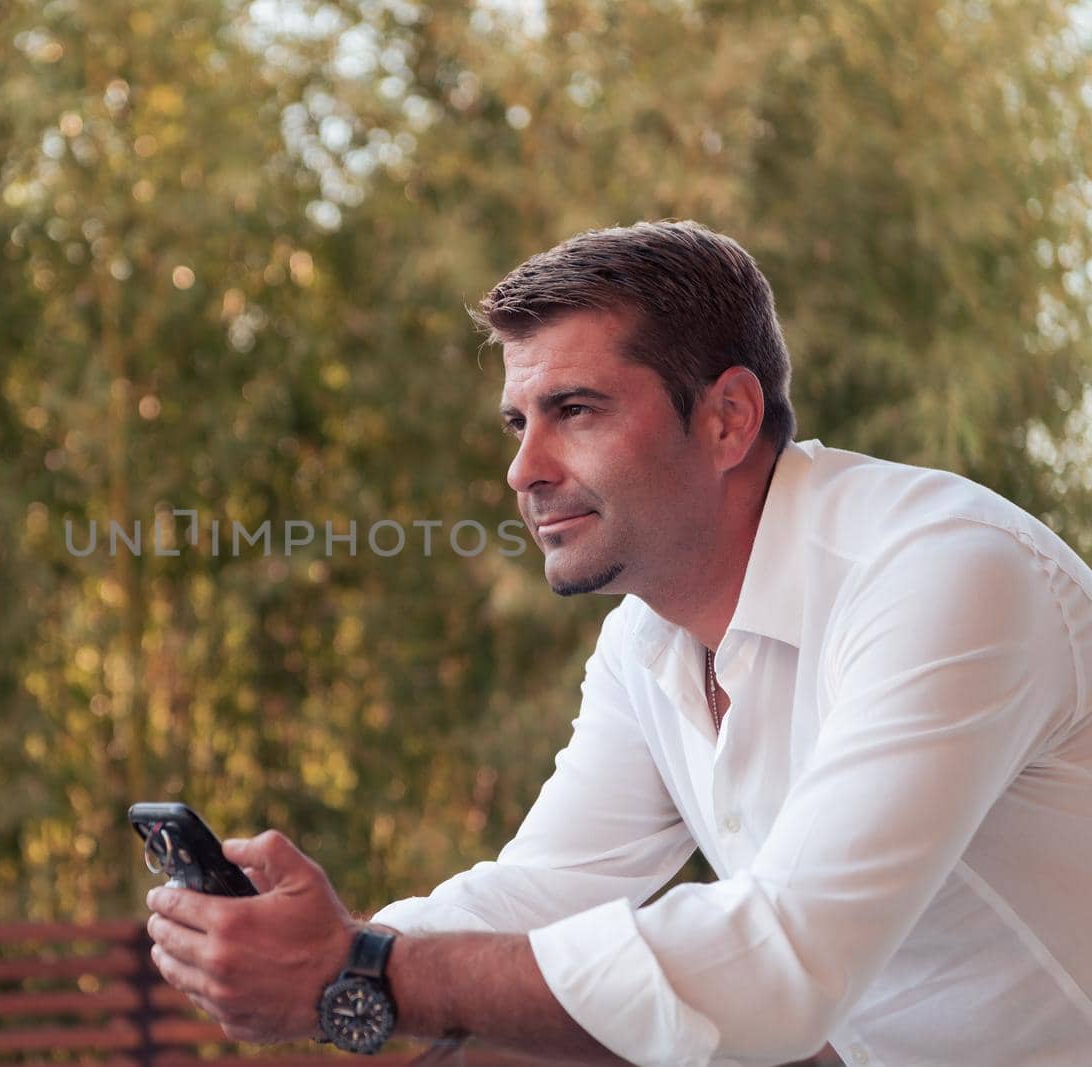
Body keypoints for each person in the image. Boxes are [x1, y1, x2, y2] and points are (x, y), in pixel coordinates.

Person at [144, 221, 1092, 1066]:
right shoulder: (648, 640)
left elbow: (779, 963)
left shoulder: (941, 575)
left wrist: (360, 972)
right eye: (520, 422)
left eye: (577, 410)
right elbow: (551, 887)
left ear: (728, 418)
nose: (524, 468)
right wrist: (336, 943)